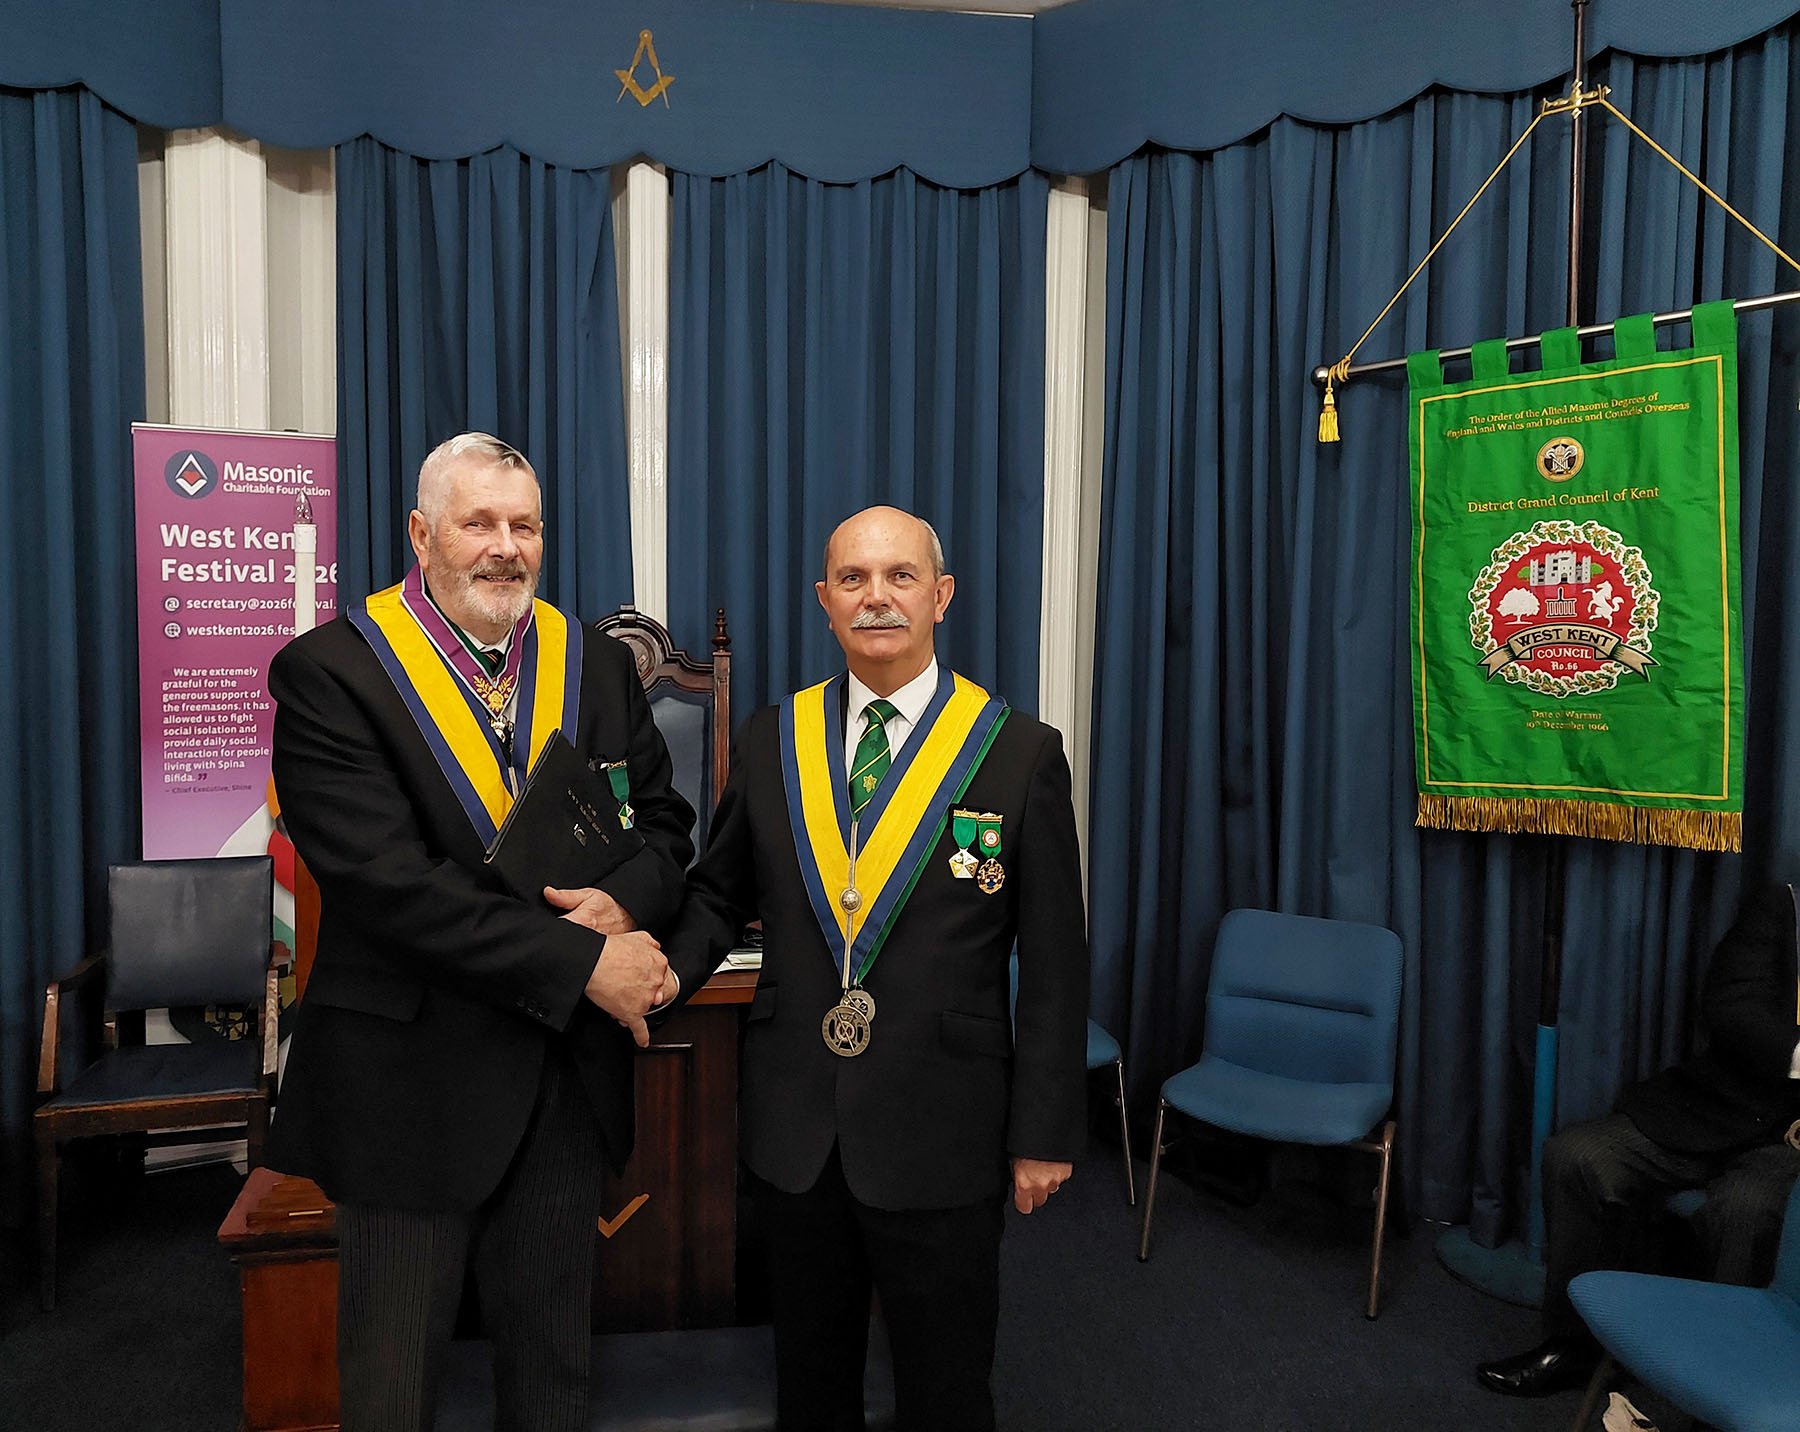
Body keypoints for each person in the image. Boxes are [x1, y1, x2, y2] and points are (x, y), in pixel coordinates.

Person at [267, 433, 711, 1431]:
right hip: (409, 1082)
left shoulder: (588, 662)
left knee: (551, 1377)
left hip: (560, 1081)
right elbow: (391, 888)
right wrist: (584, 959)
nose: (505, 546)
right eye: (480, 523)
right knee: (392, 1387)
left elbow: (665, 824)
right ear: (423, 534)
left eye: (526, 525)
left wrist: (624, 902)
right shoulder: (330, 672)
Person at [664, 506, 1089, 1432]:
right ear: (825, 603)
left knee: (945, 1388)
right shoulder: (776, 740)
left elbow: (1056, 962)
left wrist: (1044, 1130)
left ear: (939, 597)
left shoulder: (1017, 753)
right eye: (853, 580)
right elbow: (713, 895)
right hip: (797, 1129)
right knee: (811, 1386)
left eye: (900, 577)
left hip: (946, 1130)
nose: (877, 598)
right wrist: (659, 972)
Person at [1477, 879, 1800, 1398]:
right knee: (1577, 1158)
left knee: (1747, 1210)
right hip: (1716, 1108)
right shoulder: (1784, 906)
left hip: (1788, 1148)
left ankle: (1720, 1390)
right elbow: (1730, 1007)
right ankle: (1573, 1346)